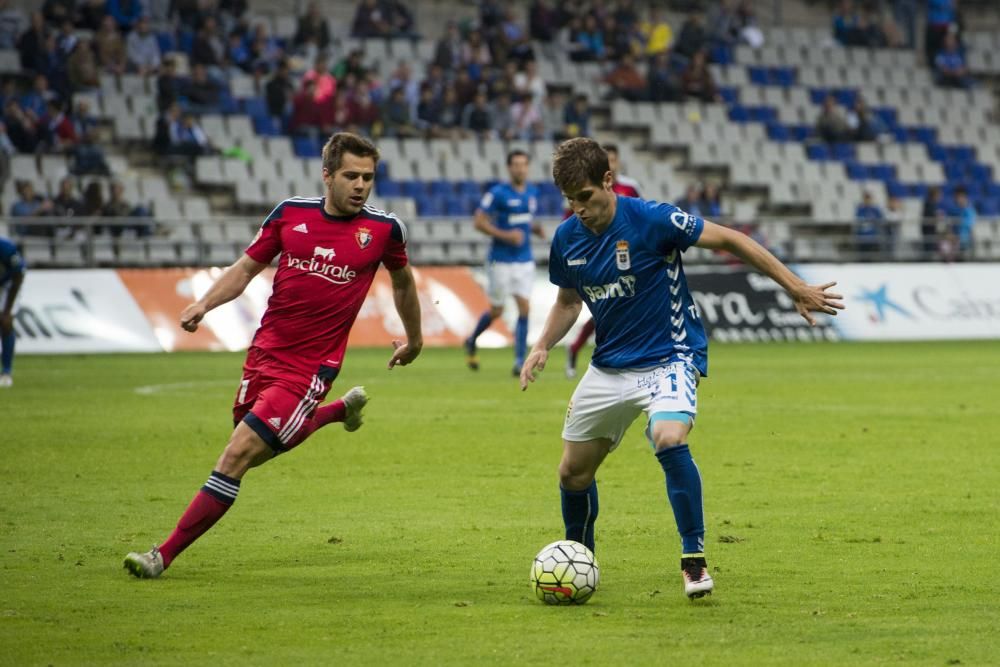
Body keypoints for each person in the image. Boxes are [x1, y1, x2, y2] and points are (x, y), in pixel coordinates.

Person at [520, 138, 843, 599]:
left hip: (670, 355)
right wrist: (542, 346)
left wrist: (795, 286)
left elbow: (732, 238)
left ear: (608, 181)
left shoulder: (652, 219)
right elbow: (568, 302)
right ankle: (579, 557)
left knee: (668, 437)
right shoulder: (566, 238)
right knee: (572, 475)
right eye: (570, 200)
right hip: (610, 366)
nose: (579, 209)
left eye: (585, 197)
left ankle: (693, 559)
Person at [123, 132, 424, 578]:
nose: (361, 186)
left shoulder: (384, 229)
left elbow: (403, 283)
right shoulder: (290, 215)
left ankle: (161, 555)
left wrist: (414, 340)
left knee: (237, 455)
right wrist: (204, 304)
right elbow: (246, 267)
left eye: (368, 177)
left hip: (310, 367)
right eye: (350, 176)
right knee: (256, 444)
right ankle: (336, 412)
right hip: (264, 354)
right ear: (327, 175)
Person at [463, 149, 543, 376]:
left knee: (524, 306)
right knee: (497, 310)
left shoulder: (532, 192)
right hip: (500, 260)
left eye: (523, 164)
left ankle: (519, 361)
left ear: (528, 167)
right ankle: (471, 339)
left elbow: (524, 221)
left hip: (525, 260)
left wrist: (535, 230)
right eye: (516, 164)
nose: (520, 168)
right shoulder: (497, 193)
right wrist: (506, 235)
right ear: (509, 168)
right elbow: (478, 222)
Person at [565, 143, 642, 378]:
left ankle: (580, 348)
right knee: (608, 305)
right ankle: (581, 349)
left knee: (612, 306)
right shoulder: (585, 187)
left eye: (613, 160)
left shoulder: (630, 187)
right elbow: (570, 219)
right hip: (596, 254)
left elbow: (641, 216)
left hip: (627, 253)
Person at [0, 236, 25, 387]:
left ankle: (6, 371)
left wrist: (7, 310)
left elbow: (18, 275)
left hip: (9, 284)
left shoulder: (6, 248)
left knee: (5, 322)